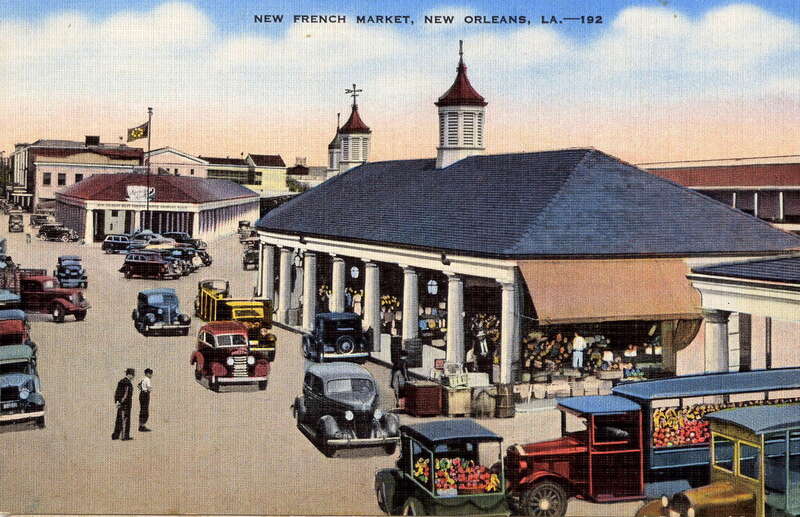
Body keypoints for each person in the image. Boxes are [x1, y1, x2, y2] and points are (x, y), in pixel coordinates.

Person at [112, 368, 135, 440]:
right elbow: (126, 394)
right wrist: (121, 402)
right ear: (130, 374)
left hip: (121, 403)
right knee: (125, 419)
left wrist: (117, 402)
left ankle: (115, 436)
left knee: (119, 419)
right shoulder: (127, 383)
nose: (133, 376)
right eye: (133, 374)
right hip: (125, 405)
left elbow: (117, 393)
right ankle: (125, 436)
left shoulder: (121, 381)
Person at [138, 368, 153, 432]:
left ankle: (140, 425)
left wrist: (142, 389)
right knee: (145, 410)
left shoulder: (143, 379)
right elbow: (149, 388)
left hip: (141, 394)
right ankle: (142, 426)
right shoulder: (147, 379)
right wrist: (148, 390)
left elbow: (138, 386)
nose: (151, 375)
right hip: (145, 394)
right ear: (147, 374)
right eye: (150, 374)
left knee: (142, 409)